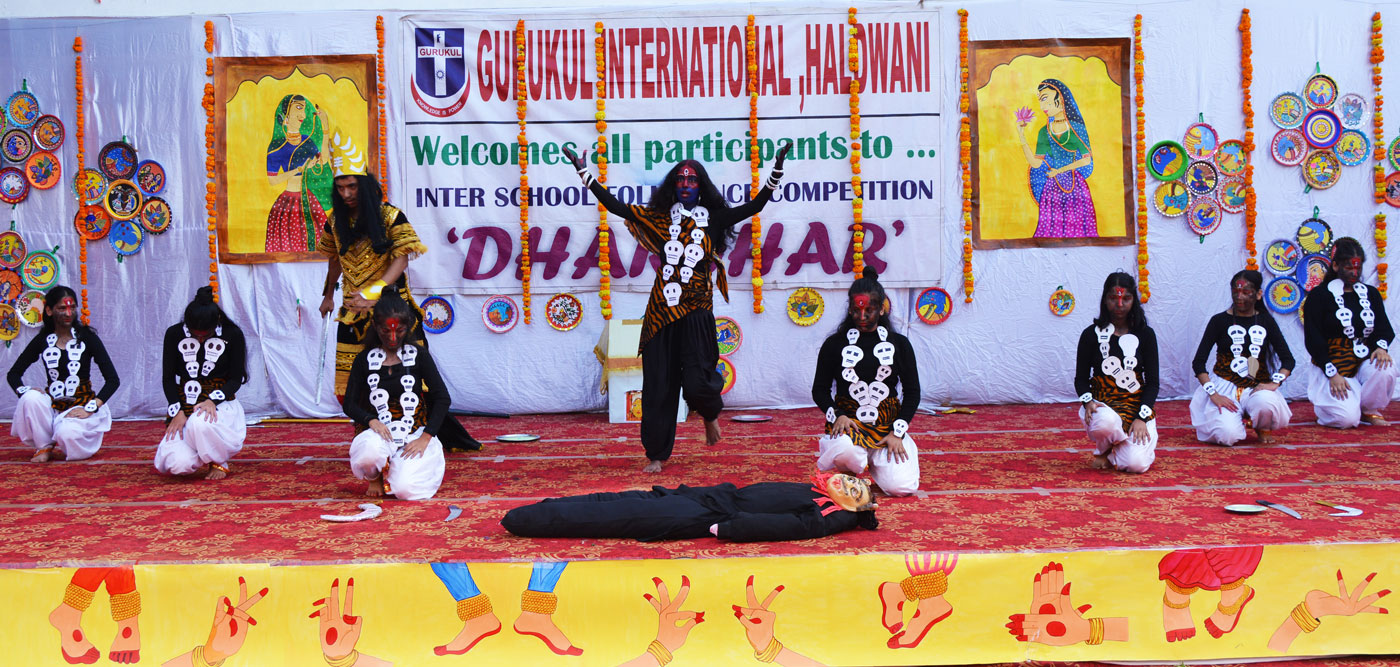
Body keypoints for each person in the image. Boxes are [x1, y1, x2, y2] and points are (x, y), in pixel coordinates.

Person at [563, 142, 791, 473]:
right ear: (673, 185)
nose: (685, 184)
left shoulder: (714, 219)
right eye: (680, 180)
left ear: (701, 186)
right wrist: (584, 172)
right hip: (661, 311)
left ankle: (709, 413)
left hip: (697, 309)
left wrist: (777, 170)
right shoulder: (659, 219)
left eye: (692, 180)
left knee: (698, 380)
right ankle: (657, 454)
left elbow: (755, 205)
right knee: (659, 383)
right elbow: (616, 207)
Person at [501, 472, 878, 542]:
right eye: (851, 480)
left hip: (707, 515)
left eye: (853, 490)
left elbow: (786, 528)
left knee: (614, 515)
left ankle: (529, 521)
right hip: (705, 496)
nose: (845, 483)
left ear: (851, 508)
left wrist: (728, 529)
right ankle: (545, 508)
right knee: (618, 500)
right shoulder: (816, 489)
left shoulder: (827, 515)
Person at [811, 267, 921, 496]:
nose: (862, 317)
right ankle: (850, 469)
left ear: (881, 309)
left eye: (869, 311)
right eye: (856, 310)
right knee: (845, 450)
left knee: (902, 487)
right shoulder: (834, 344)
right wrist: (837, 414)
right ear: (850, 308)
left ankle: (884, 461)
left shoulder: (899, 344)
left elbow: (912, 392)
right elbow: (819, 390)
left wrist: (898, 432)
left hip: (886, 427)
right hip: (849, 425)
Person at [342, 291, 451, 500]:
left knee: (405, 490)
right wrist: (370, 420)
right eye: (386, 331)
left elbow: (442, 398)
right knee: (368, 452)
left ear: (408, 326)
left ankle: (397, 469)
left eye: (399, 331)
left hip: (414, 432)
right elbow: (349, 404)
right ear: (375, 326)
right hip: (379, 432)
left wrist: (426, 437)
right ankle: (374, 475)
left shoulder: (419, 355)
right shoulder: (364, 359)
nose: (393, 338)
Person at [7, 286, 119, 462]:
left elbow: (113, 380)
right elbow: (13, 374)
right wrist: (25, 391)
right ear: (49, 311)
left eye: (72, 307)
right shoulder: (43, 340)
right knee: (30, 398)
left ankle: (68, 434)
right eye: (62, 308)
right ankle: (44, 446)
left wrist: (90, 408)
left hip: (80, 406)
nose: (68, 313)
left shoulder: (87, 338)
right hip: (53, 406)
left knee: (66, 433)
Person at [1189, 270, 1295, 445]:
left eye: (1246, 292)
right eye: (1236, 292)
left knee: (1266, 402)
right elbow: (1198, 362)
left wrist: (1274, 383)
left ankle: (1262, 426)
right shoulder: (1219, 321)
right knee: (1227, 435)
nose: (1239, 297)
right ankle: (1234, 421)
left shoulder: (1266, 321)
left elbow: (1288, 360)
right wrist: (1214, 394)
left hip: (1257, 386)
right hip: (1224, 386)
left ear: (1258, 294)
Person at [154, 286, 249, 480]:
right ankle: (200, 449)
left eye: (205, 335)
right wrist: (178, 411)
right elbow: (168, 378)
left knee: (199, 423)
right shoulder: (173, 334)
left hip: (220, 405)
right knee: (177, 464)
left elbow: (235, 378)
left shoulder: (233, 334)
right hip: (186, 403)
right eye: (195, 334)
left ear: (216, 322)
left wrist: (212, 401)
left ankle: (218, 460)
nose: (200, 339)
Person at [1302, 237, 1396, 428]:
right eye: (1348, 267)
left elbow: (1383, 328)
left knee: (1386, 367)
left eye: (1358, 268)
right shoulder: (1319, 296)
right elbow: (1313, 339)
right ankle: (1331, 409)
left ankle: (1368, 409)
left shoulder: (1371, 293)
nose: (1354, 272)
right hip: (1334, 363)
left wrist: (1380, 348)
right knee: (1346, 420)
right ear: (1336, 266)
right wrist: (1332, 373)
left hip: (1363, 359)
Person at [1074, 272, 1159, 473]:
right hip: (1104, 405)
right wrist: (1088, 402)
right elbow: (1081, 378)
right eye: (1113, 298)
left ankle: (1119, 449)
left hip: (1135, 407)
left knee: (1136, 465)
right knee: (1106, 422)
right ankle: (1103, 450)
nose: (1119, 304)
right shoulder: (1090, 334)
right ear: (1105, 299)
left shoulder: (1146, 334)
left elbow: (1153, 382)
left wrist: (1142, 417)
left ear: (1134, 300)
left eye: (1126, 298)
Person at [1016, 78, 1097, 238]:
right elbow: (1036, 163)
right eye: (1040, 101)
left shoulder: (1076, 128)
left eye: (1045, 99)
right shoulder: (1044, 132)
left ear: (1059, 97)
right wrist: (1021, 136)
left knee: (1078, 231)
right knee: (1051, 231)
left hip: (1075, 187)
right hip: (1052, 190)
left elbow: (1086, 160)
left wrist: (1059, 171)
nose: (1042, 106)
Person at [265, 94, 333, 253]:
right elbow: (272, 180)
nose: (303, 114)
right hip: (287, 203)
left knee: (319, 246)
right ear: (286, 116)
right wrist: (298, 170)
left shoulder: (306, 141)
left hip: (308, 201)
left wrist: (325, 128)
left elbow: (322, 160)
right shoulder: (277, 146)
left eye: (304, 109)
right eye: (298, 108)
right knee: (286, 248)